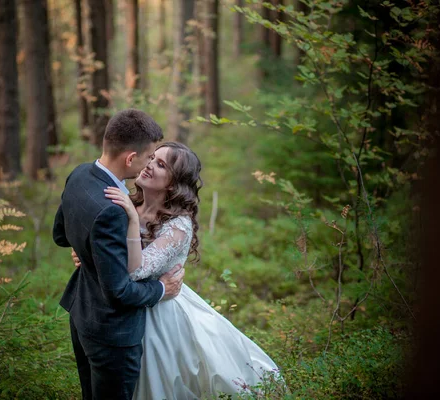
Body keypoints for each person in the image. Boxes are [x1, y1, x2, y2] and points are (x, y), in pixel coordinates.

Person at [71, 141, 282, 399]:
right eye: (151, 158)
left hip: (160, 312)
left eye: (161, 165)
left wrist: (133, 220)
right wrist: (86, 254)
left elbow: (136, 272)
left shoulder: (178, 226)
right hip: (122, 306)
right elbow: (101, 242)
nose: (149, 165)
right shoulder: (128, 202)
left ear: (173, 183)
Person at [53, 109, 186, 400]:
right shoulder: (113, 210)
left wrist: (89, 253)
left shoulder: (78, 175)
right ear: (130, 158)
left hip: (81, 315)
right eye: (148, 156)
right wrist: (163, 287)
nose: (149, 163)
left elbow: (60, 235)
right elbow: (119, 293)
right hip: (111, 332)